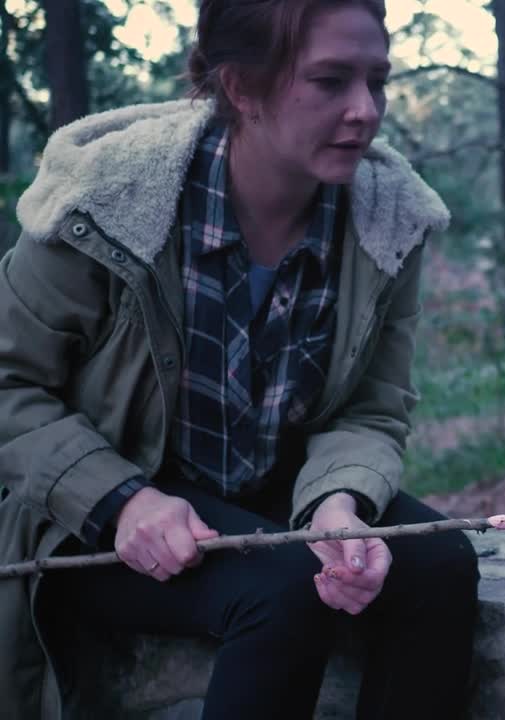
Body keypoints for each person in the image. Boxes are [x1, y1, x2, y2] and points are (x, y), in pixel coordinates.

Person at [0, 1, 478, 718]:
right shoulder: (102, 203)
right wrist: (120, 500)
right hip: (90, 513)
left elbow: (369, 409)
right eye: (329, 81)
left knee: (440, 563)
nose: (365, 110)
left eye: (376, 80)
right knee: (281, 587)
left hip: (267, 494)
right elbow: (10, 386)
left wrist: (338, 503)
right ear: (240, 88)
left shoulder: (388, 219)